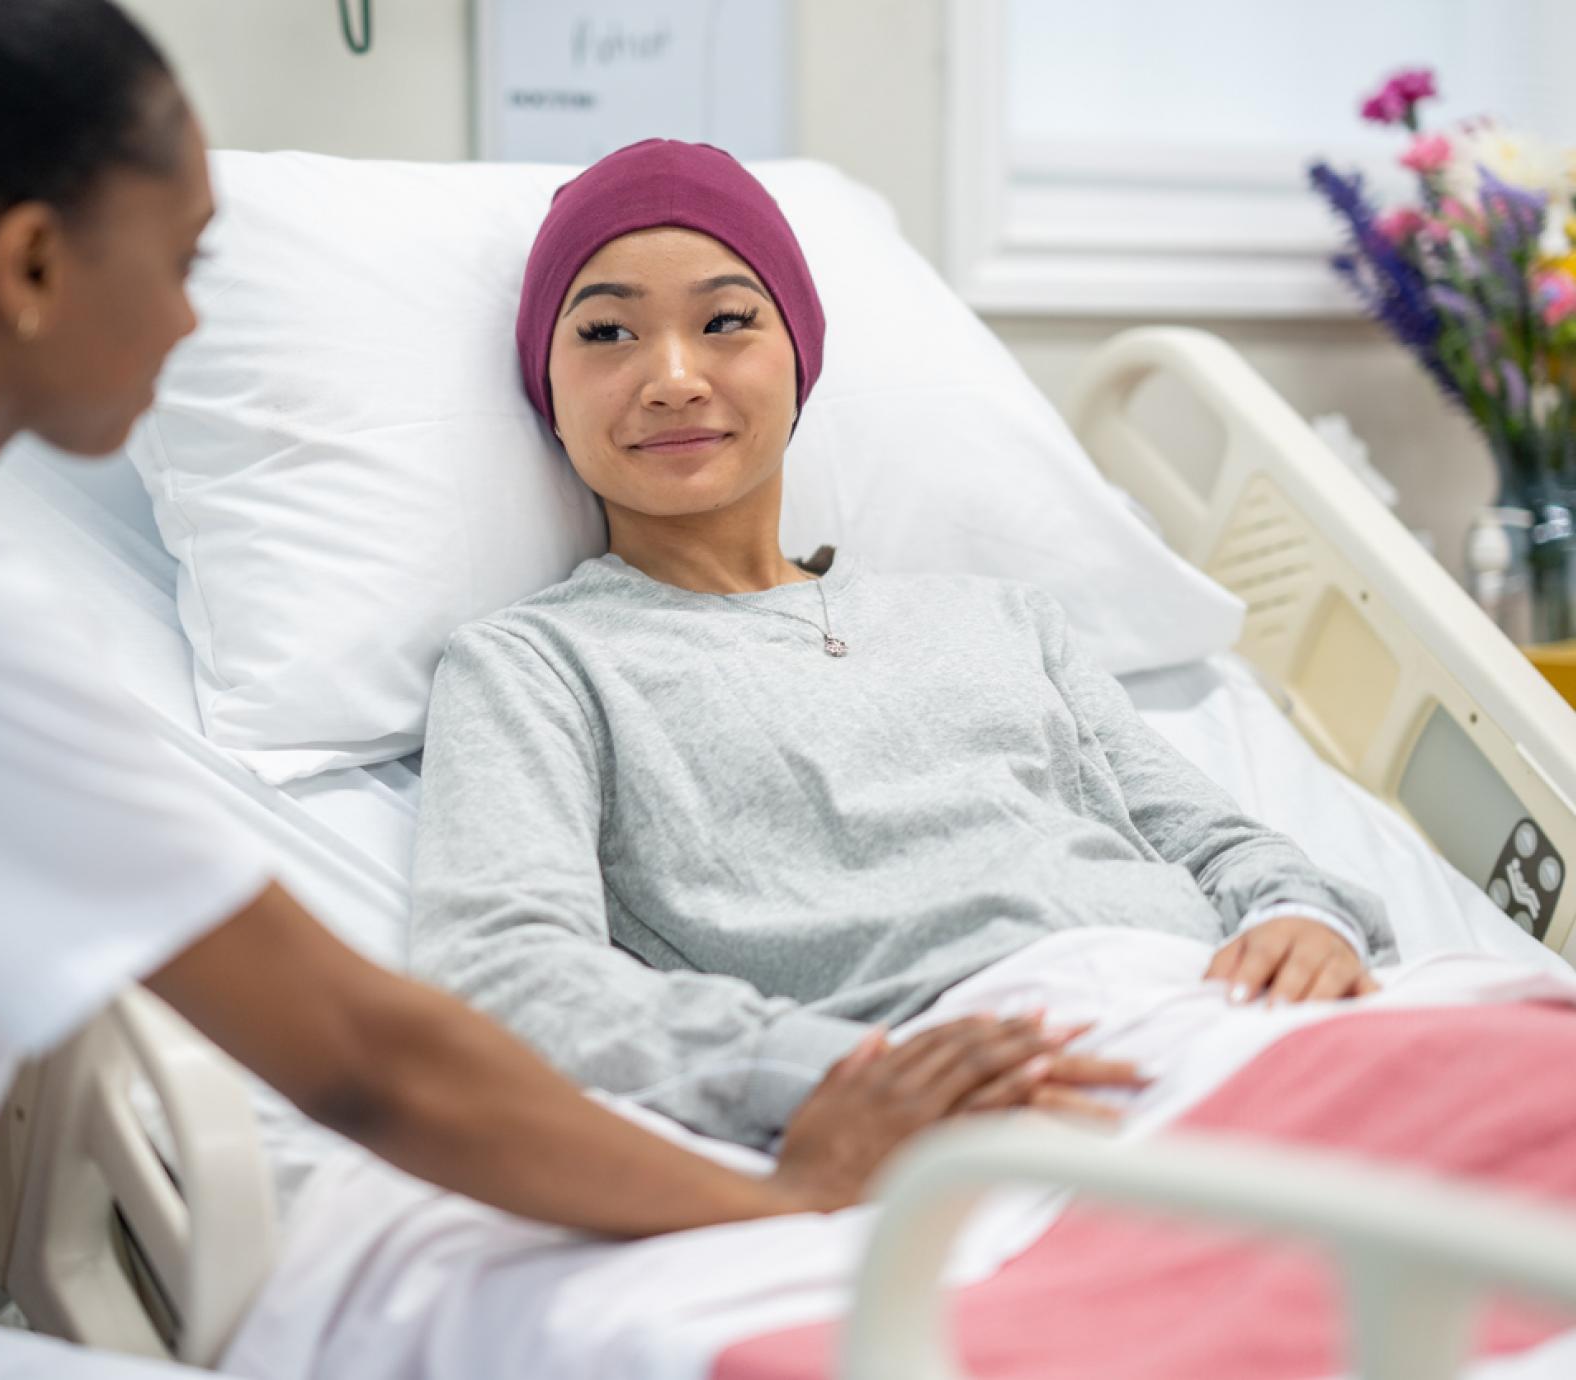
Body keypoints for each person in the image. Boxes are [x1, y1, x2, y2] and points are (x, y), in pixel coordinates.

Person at [0, 10, 1134, 1379]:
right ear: (32, 265)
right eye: (181, 265)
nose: (192, 324)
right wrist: (785, 1199)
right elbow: (365, 1059)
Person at [408, 139, 1391, 1150]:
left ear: (798, 356)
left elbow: (1207, 839)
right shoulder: (535, 668)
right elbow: (502, 969)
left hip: (1238, 1010)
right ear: (545, 389)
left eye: (726, 322)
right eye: (607, 331)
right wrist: (826, 1071)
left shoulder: (1001, 618)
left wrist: (1302, 920)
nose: (670, 377)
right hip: (981, 1087)